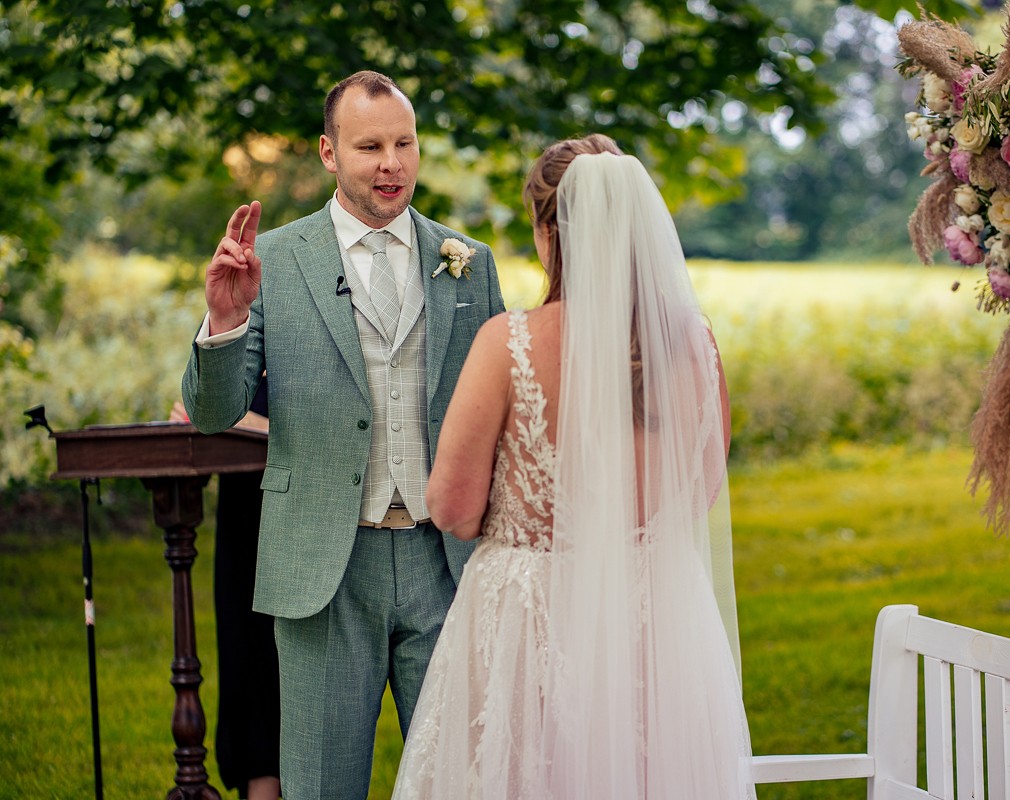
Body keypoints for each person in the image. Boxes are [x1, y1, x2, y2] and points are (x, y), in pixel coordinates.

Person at [393, 135, 755, 799]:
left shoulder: (510, 343)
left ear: (548, 230)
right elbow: (700, 489)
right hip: (656, 620)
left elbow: (452, 508)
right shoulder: (698, 345)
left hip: (529, 627)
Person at [182, 70, 505, 799]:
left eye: (404, 143)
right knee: (321, 786)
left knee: (465, 781)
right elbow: (211, 413)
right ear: (329, 154)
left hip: (444, 562)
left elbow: (502, 411)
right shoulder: (278, 259)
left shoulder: (469, 263)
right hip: (325, 568)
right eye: (369, 147)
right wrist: (226, 320)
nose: (391, 163)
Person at [171, 376, 280, 800]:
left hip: (297, 523)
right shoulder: (235, 332)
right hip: (241, 523)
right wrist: (194, 418)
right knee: (246, 660)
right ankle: (259, 785)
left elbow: (328, 427)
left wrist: (231, 421)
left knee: (283, 666)